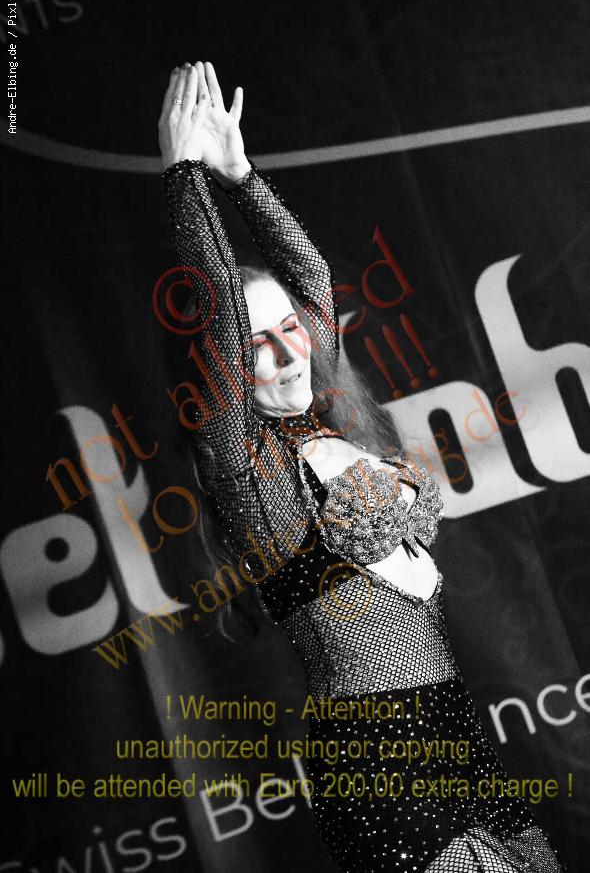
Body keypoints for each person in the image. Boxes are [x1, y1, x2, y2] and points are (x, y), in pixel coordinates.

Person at [158, 61, 565, 873]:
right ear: (229, 364)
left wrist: (242, 177)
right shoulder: (249, 470)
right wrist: (184, 177)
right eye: (256, 343)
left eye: (291, 330)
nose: (284, 352)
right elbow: (222, 311)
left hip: (452, 737)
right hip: (379, 762)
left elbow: (311, 277)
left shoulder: (334, 436)